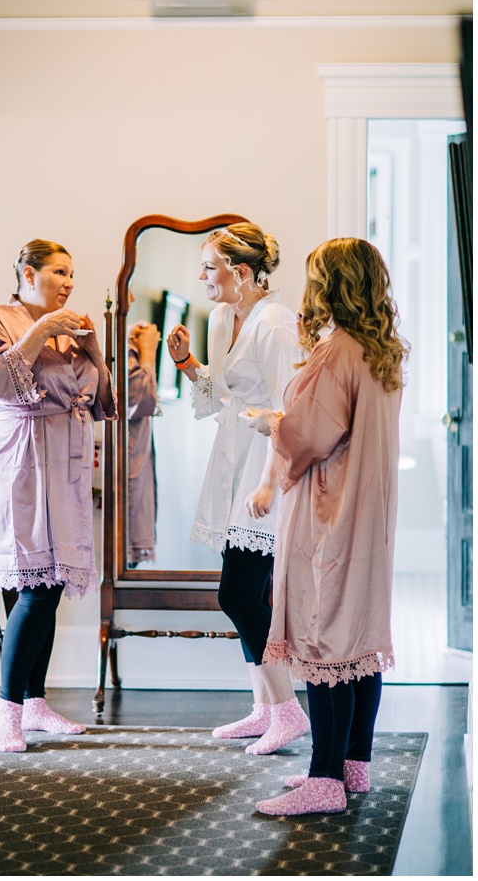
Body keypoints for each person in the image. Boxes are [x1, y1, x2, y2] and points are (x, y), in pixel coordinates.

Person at [248, 238, 407, 816]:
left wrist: (271, 423)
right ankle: (351, 766)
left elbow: (308, 435)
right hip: (369, 517)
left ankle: (323, 781)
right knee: (357, 640)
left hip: (330, 517)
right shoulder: (381, 349)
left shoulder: (337, 350)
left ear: (331, 284)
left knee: (325, 643)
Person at [165, 222, 309, 755]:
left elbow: (287, 411)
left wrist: (271, 484)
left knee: (239, 593)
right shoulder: (224, 317)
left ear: (240, 272)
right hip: (231, 459)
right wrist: (184, 363)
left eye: (209, 266)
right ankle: (264, 709)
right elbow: (218, 400)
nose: (202, 276)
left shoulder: (277, 325)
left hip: (263, 467)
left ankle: (288, 711)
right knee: (243, 591)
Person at [0, 239, 116, 753]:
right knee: (33, 586)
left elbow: (100, 402)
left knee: (51, 585)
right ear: (29, 274)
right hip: (22, 465)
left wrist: (93, 349)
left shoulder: (71, 333)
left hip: (67, 465)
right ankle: (5, 712)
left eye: (72, 273)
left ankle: (35, 704)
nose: (69, 281)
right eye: (59, 271)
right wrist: (38, 332)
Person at [126, 319, 161, 566]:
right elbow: (142, 401)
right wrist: (148, 354)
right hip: (127, 461)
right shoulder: (124, 348)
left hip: (138, 455)